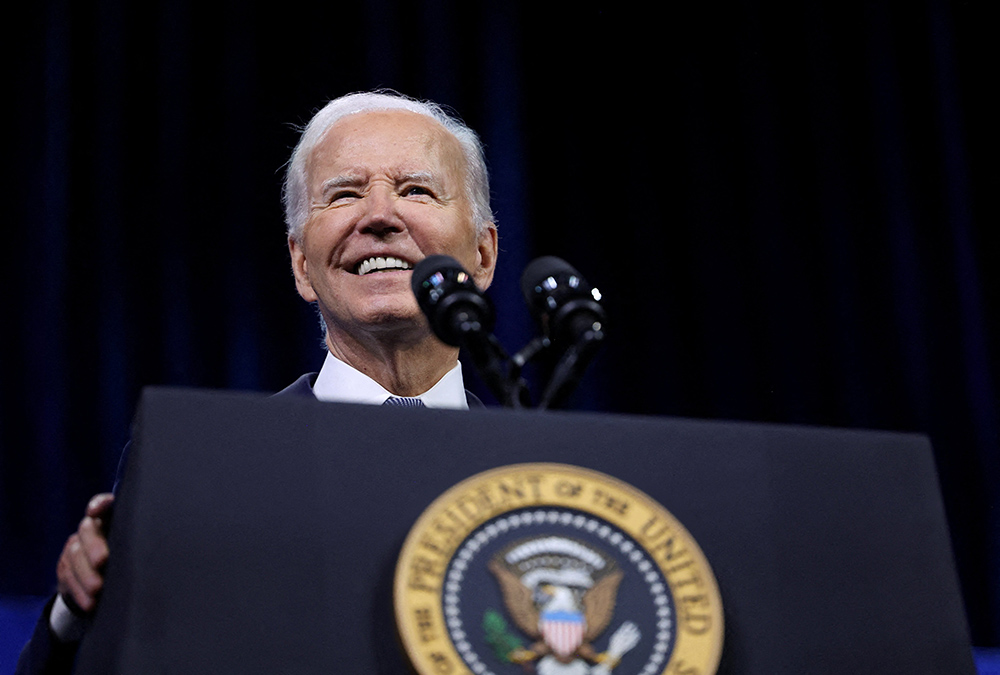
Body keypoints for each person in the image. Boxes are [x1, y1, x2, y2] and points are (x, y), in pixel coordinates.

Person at [16, 90, 499, 674]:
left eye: (415, 190)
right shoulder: (200, 467)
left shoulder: (545, 469)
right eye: (343, 194)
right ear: (301, 264)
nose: (378, 216)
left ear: (483, 254)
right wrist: (78, 609)